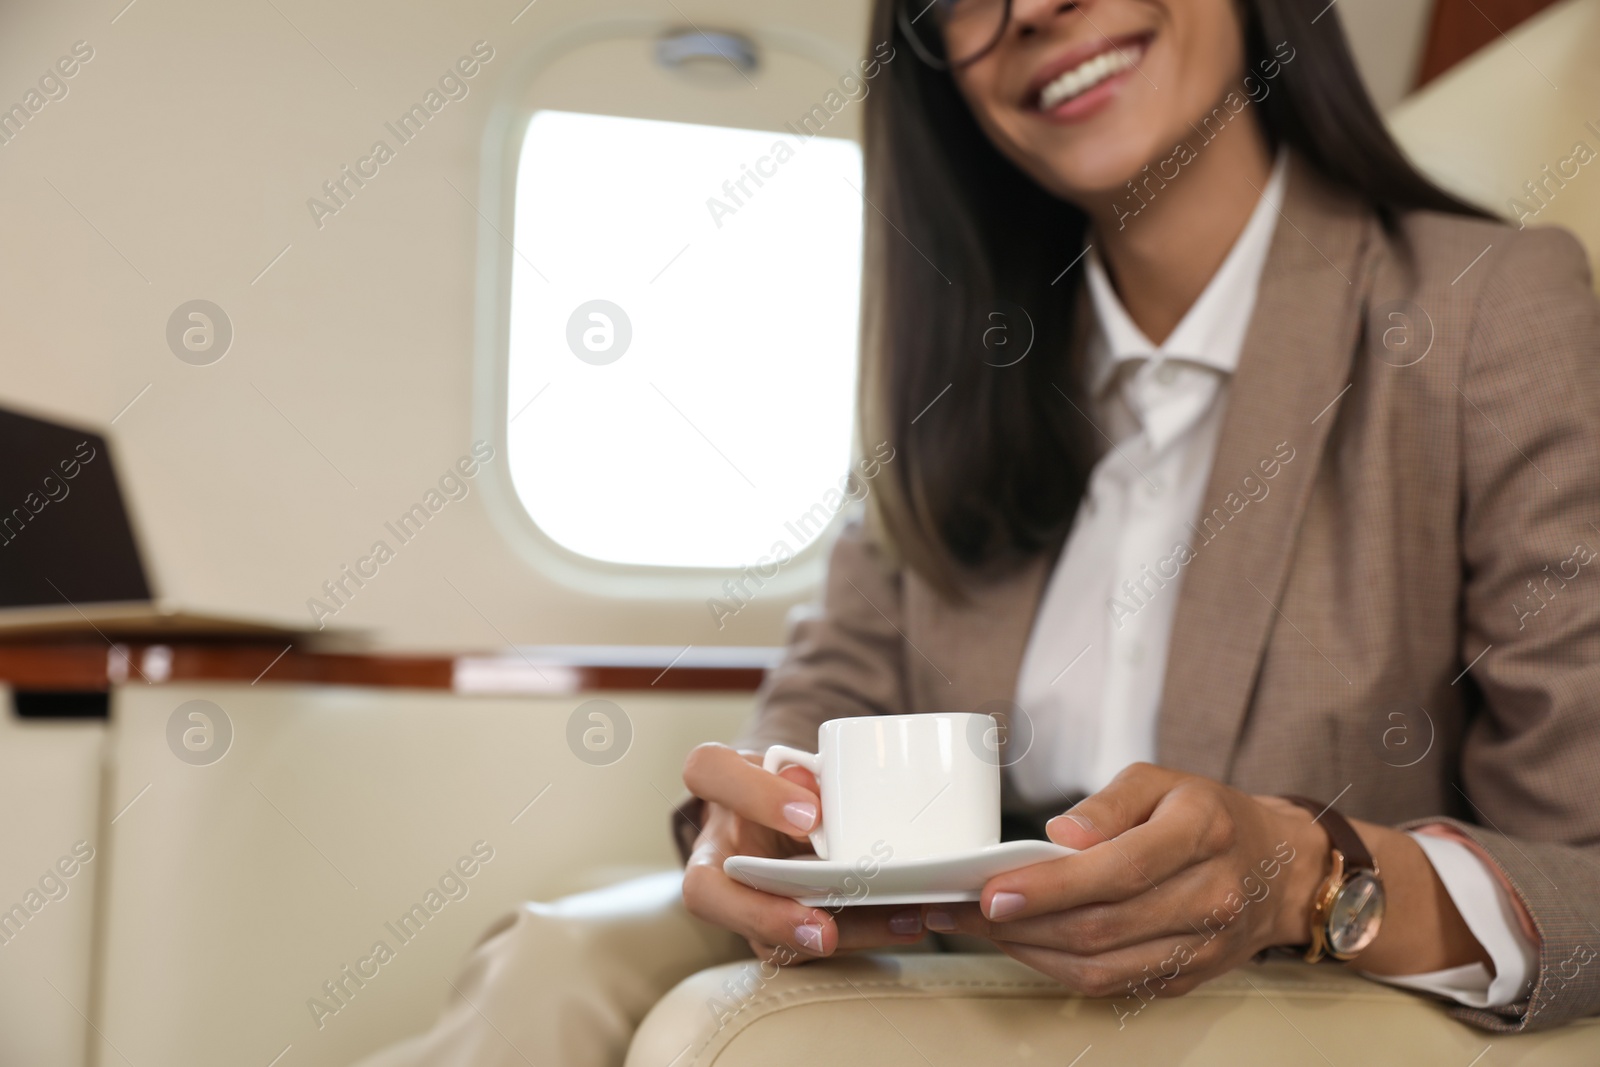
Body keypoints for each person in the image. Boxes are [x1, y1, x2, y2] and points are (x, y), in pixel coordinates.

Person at [355, 0, 1600, 1062]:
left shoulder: (1491, 311)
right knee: (549, 958)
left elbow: (1585, 873)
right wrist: (763, 819)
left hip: (1264, 1008)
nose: (1036, 10)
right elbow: (820, 697)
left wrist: (1307, 876)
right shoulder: (964, 374)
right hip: (944, 959)